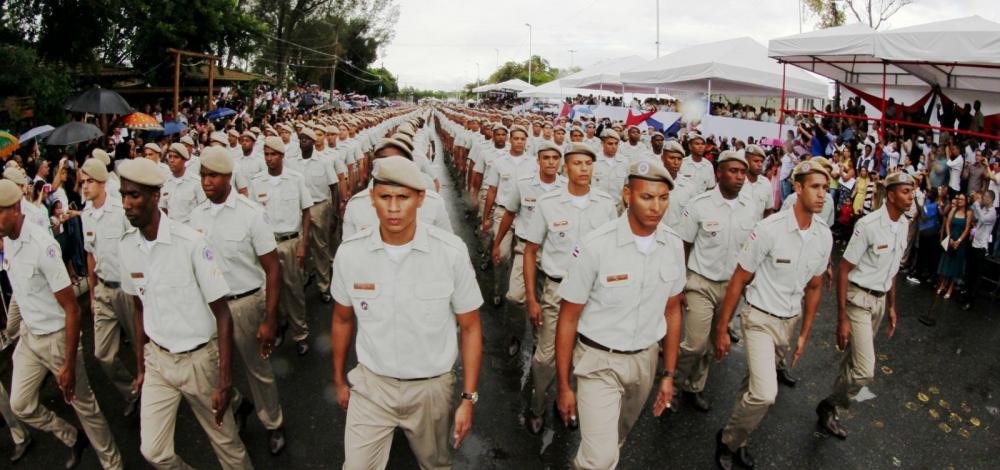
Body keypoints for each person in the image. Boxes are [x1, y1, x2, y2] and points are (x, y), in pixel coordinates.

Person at [330, 156, 483, 470]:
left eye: (404, 198)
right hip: (372, 385)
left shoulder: (450, 253)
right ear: (372, 199)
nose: (394, 208)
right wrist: (339, 380)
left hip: (430, 388)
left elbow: (470, 327)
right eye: (385, 197)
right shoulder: (351, 254)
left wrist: (468, 398)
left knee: (435, 464)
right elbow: (342, 318)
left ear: (421, 199)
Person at [117, 158, 252, 469]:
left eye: (134, 195)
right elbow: (139, 308)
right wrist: (140, 365)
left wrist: (225, 380)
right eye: (124, 195)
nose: (127, 204)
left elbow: (223, 314)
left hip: (199, 361)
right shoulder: (126, 247)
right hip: (158, 362)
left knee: (227, 446)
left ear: (155, 197)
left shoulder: (190, 243)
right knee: (154, 451)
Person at [555, 160, 685, 469]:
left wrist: (668, 374)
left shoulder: (673, 245)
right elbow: (568, 317)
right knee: (600, 459)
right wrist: (563, 385)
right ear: (627, 194)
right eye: (646, 197)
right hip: (599, 361)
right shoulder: (595, 245)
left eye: (663, 197)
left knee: (614, 440)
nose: (656, 206)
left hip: (644, 361)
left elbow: (672, 310)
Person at [713, 160, 833, 469]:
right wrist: (722, 327)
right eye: (815, 187)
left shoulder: (824, 236)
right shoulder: (769, 229)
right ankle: (728, 440)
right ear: (798, 187)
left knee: (752, 386)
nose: (822, 195)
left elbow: (815, 287)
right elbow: (740, 277)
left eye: (826, 189)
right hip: (758, 319)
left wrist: (805, 332)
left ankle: (740, 437)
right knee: (765, 393)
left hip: (788, 321)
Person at [0, 178, 124, 469]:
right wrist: (13, 329)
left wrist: (68, 363)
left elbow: (72, 309)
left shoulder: (43, 246)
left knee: (84, 406)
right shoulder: (7, 241)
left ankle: (113, 463)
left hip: (57, 336)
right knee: (20, 404)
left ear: (16, 208)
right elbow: (18, 289)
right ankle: (71, 437)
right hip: (31, 337)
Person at [190, 147, 288, 454]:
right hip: (210, 306)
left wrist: (270, 319)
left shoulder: (250, 214)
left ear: (228, 177)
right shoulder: (196, 216)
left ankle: (273, 422)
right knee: (211, 371)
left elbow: (273, 269)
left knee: (257, 370)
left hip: (244, 304)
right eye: (203, 176)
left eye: (213, 176)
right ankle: (237, 404)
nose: (206, 182)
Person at [816, 172, 914, 440]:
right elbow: (844, 268)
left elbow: (892, 270)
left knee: (852, 362)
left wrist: (892, 307)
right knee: (864, 370)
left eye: (912, 191)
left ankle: (830, 411)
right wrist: (841, 319)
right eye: (905, 191)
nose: (911, 196)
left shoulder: (904, 224)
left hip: (880, 302)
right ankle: (830, 404)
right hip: (858, 301)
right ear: (891, 195)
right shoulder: (868, 225)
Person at [673, 150, 756, 412]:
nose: (739, 177)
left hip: (732, 287)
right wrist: (679, 284)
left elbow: (751, 251)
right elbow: (683, 245)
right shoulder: (699, 204)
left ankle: (694, 387)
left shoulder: (750, 209)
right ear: (719, 173)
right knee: (695, 343)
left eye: (743, 172)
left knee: (711, 345)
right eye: (733, 171)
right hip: (700, 282)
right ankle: (672, 383)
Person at [492, 141, 567, 356]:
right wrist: (497, 243)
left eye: (555, 158)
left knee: (545, 302)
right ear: (538, 160)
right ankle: (515, 334)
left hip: (553, 250)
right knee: (515, 297)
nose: (551, 162)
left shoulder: (565, 188)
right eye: (546, 158)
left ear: (560, 162)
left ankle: (538, 343)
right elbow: (509, 213)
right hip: (525, 249)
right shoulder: (524, 184)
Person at [80, 159, 140, 418]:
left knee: (142, 346)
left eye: (89, 181)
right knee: (103, 354)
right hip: (104, 289)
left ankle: (152, 392)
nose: (84, 187)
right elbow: (90, 256)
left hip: (129, 290)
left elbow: (139, 245)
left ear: (102, 183)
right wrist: (92, 294)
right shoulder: (86, 215)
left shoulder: (120, 211)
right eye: (82, 182)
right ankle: (133, 392)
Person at [250, 136, 313, 355]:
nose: (269, 159)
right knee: (270, 292)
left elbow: (306, 211)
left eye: (273, 154)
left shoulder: (295, 179)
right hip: (267, 245)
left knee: (294, 291)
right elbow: (253, 217)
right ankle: (277, 328)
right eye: (266, 154)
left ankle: (300, 334)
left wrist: (303, 244)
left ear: (282, 156)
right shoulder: (257, 181)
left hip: (290, 242)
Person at [482, 125, 537, 306]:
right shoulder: (500, 161)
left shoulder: (533, 163)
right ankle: (498, 289)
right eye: (516, 138)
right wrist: (486, 216)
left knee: (520, 256)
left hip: (525, 215)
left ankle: (515, 290)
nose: (519, 142)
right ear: (510, 140)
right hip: (502, 212)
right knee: (502, 255)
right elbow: (492, 189)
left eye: (523, 139)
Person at [285, 128, 338, 302]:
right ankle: (305, 277)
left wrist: (335, 213)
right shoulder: (292, 163)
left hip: (319, 207)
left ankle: (324, 285)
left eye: (306, 139)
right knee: (301, 245)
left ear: (313, 142)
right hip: (298, 208)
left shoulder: (324, 162)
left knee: (320, 247)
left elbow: (334, 187)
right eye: (300, 139)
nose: (303, 142)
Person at [963, 190, 996, 310]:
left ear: (991, 199)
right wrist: (974, 202)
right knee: (969, 272)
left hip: (981, 247)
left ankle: (971, 301)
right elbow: (977, 219)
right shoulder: (984, 210)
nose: (983, 198)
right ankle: (966, 295)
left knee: (977, 275)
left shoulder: (992, 213)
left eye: (985, 197)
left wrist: (977, 202)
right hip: (974, 243)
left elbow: (982, 219)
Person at [936, 193, 972, 299]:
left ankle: (950, 288)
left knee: (956, 266)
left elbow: (967, 228)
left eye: (961, 199)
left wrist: (959, 240)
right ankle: (943, 284)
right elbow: (947, 224)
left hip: (960, 241)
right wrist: (950, 237)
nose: (959, 201)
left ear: (966, 201)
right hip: (951, 237)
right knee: (947, 262)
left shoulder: (968, 213)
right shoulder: (953, 210)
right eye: (958, 199)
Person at [591, 129, 629, 213]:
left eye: (616, 144)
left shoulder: (624, 162)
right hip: (598, 207)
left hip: (618, 207)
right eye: (610, 144)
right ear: (602, 143)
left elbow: (627, 185)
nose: (614, 146)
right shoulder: (594, 161)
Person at [740, 145, 776, 220]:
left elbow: (768, 210)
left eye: (762, 161)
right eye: (756, 161)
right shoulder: (738, 181)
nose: (760, 164)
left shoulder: (766, 183)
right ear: (746, 161)